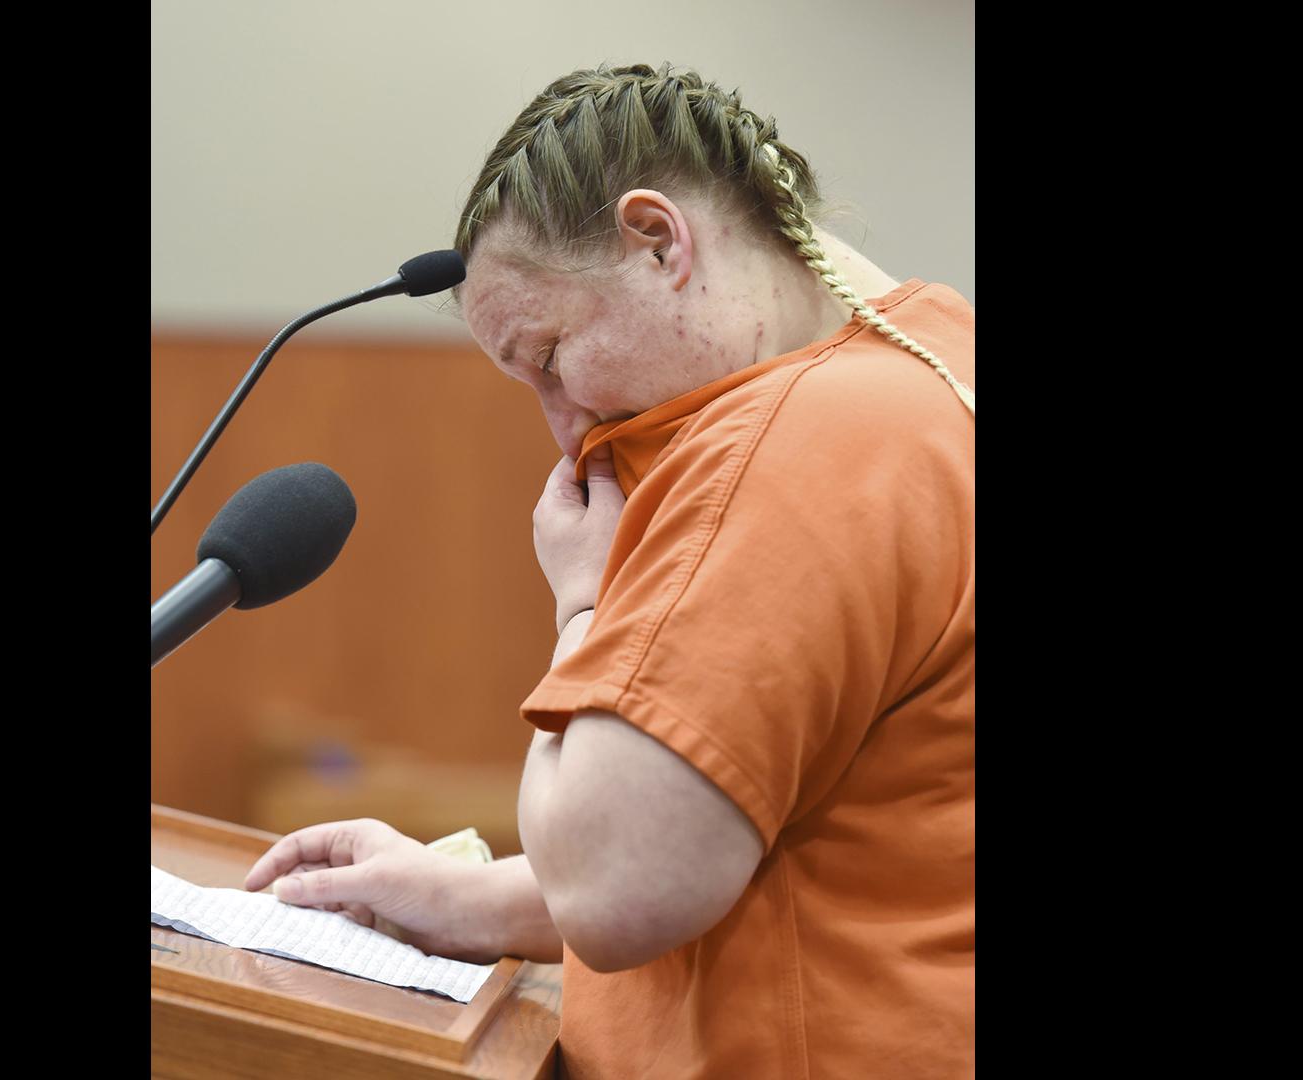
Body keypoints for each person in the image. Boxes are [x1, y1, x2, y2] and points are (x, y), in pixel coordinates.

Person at [242, 62, 974, 1078]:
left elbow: (624, 887)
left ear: (659, 240)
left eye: (550, 357)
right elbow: (773, 826)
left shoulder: (796, 444)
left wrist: (582, 603)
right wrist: (460, 896)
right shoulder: (935, 361)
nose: (565, 424)